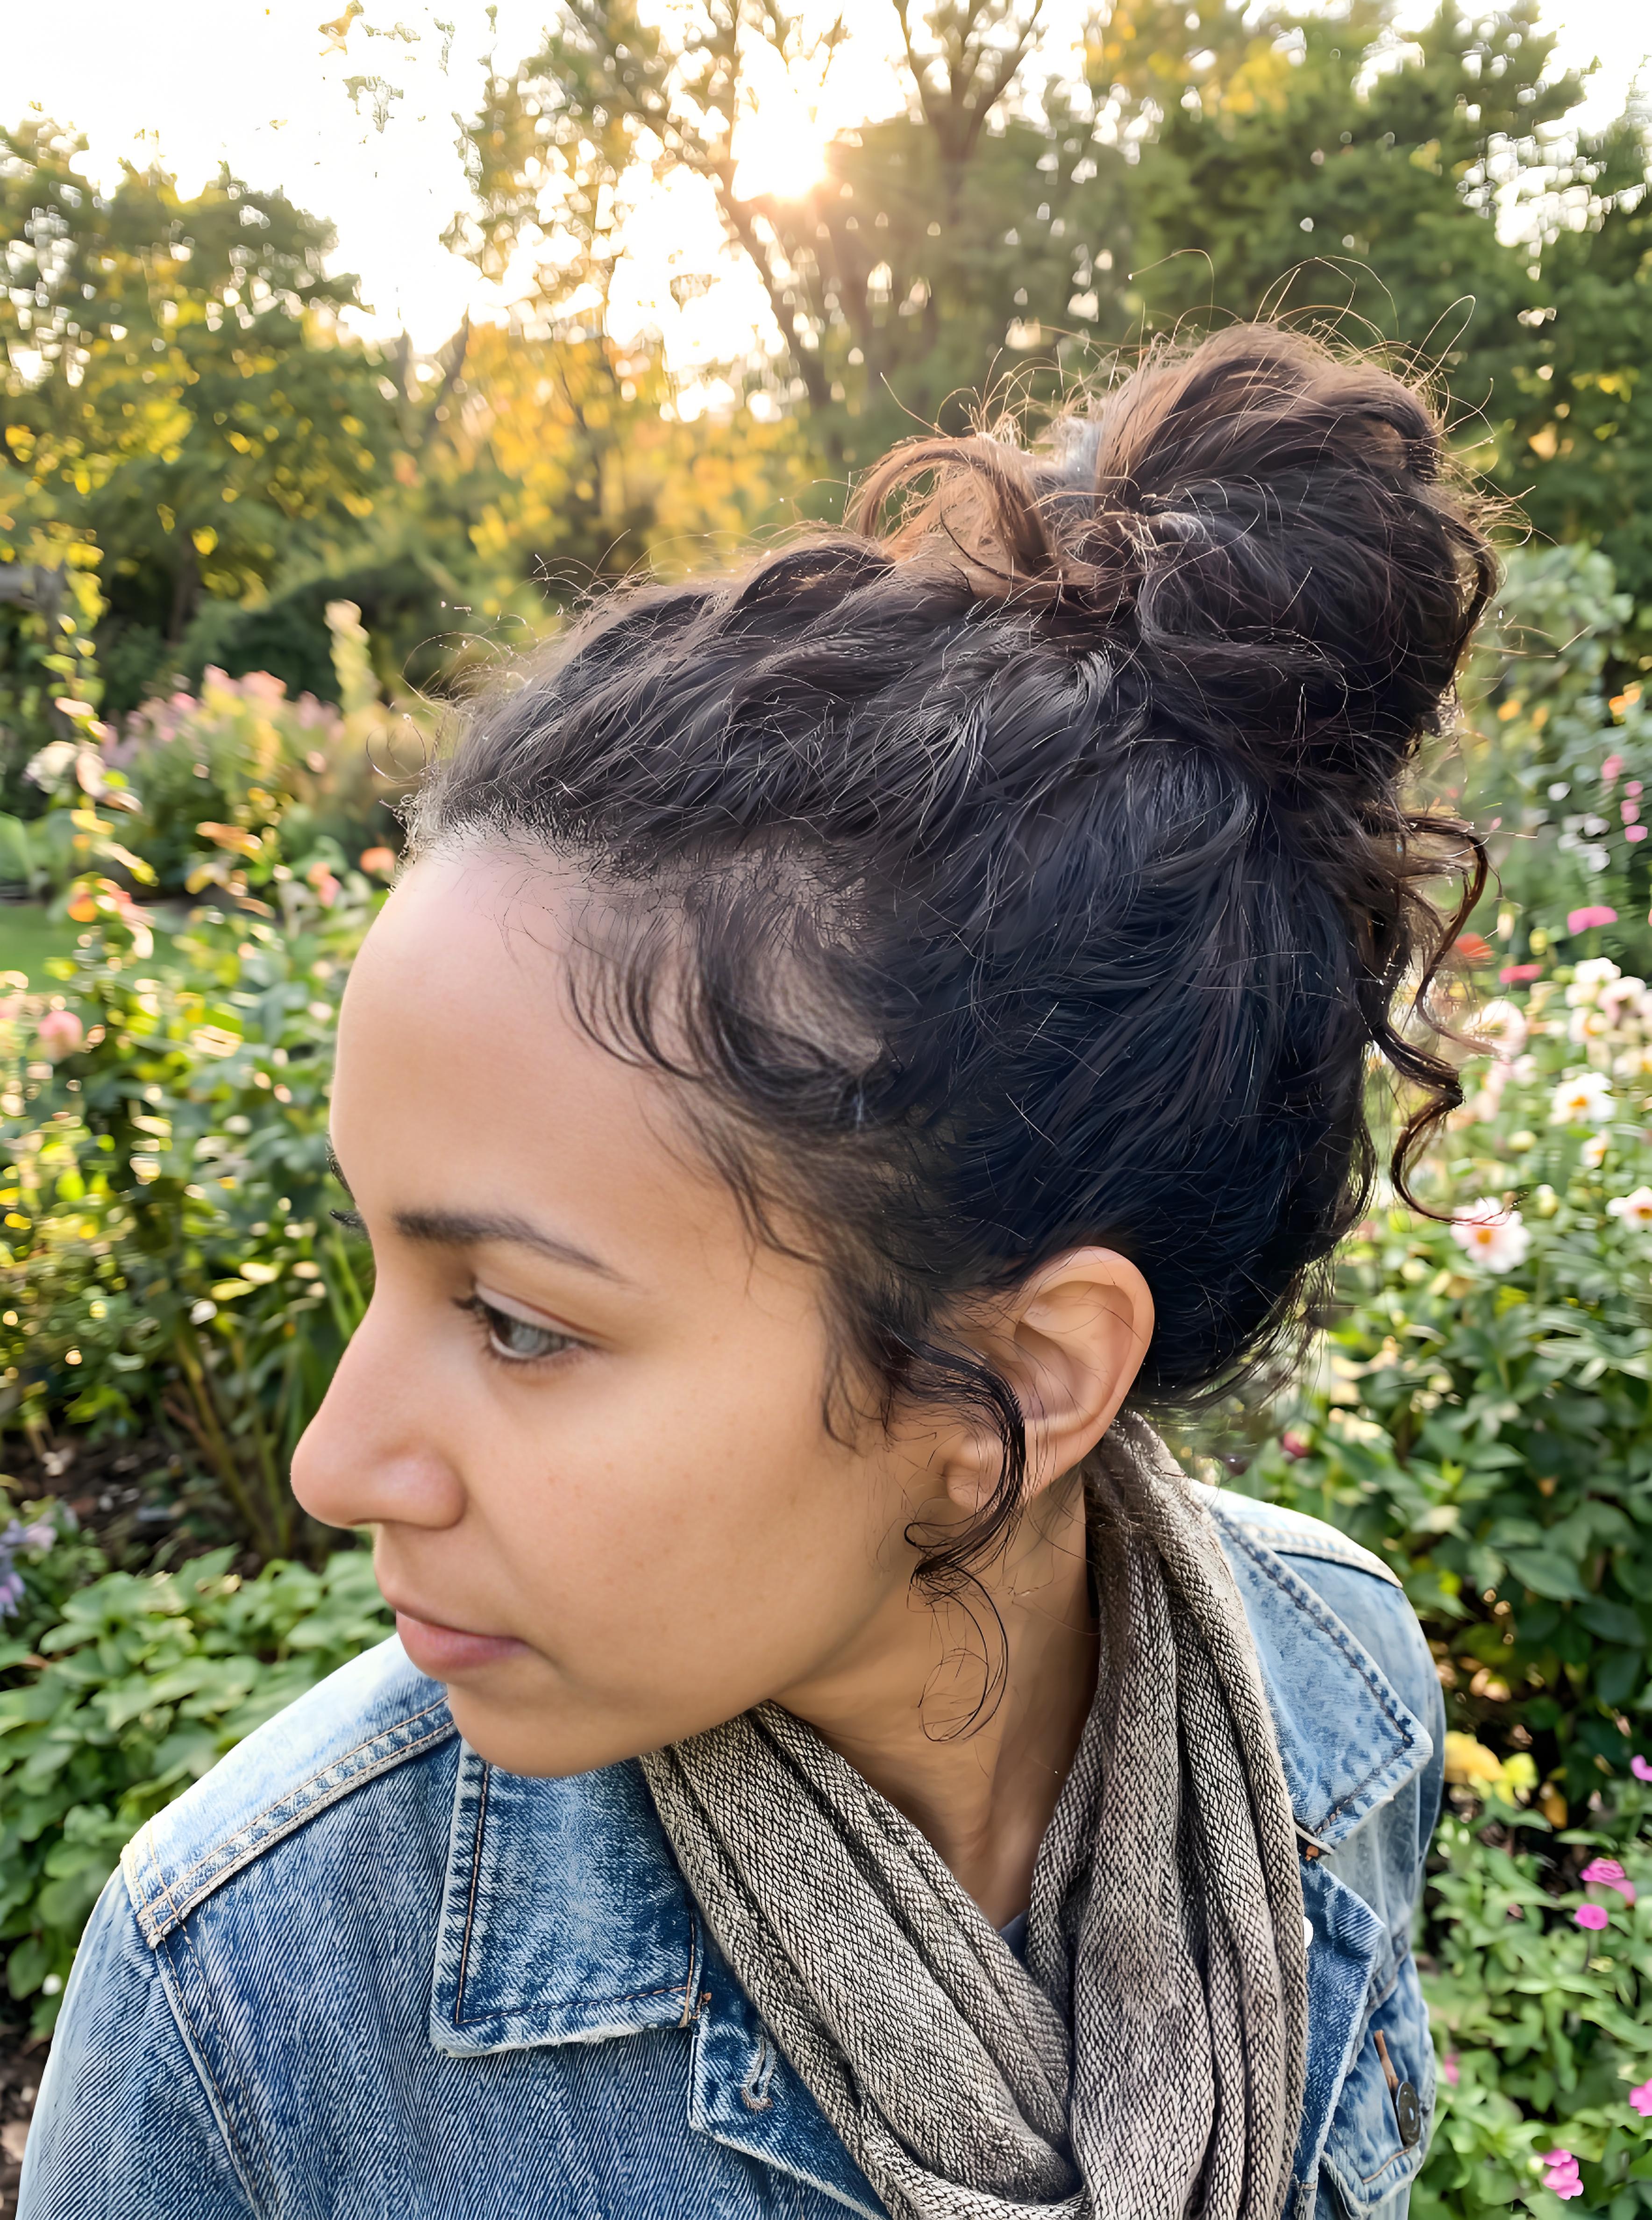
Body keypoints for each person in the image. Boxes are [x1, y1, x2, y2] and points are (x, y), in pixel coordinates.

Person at [25, 324, 1476, 2220]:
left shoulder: (1333, 1695)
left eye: (521, 1324)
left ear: (1023, 1382)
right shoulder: (258, 2002)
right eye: (379, 1258)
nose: (334, 1461)